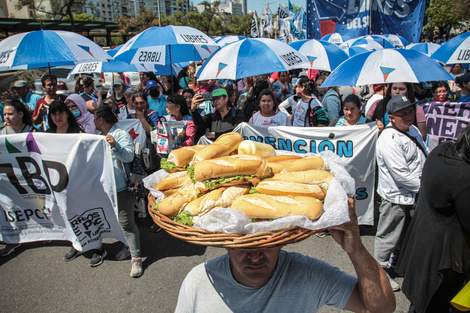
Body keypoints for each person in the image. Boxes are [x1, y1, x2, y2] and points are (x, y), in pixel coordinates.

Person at [174, 198, 396, 313]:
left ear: (282, 242)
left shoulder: (307, 275)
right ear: (226, 244)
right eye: (244, 244)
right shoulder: (198, 282)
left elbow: (382, 308)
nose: (254, 255)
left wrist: (356, 249)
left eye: (267, 242)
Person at [396, 124, 470, 313]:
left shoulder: (442, 151)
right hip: (448, 263)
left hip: (423, 246)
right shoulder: (464, 178)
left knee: (422, 304)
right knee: (436, 304)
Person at [375, 95, 429, 292]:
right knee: (388, 236)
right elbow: (402, 176)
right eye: (403, 113)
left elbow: (424, 153)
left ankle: (395, 265)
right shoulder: (389, 139)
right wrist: (426, 187)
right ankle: (379, 273)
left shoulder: (413, 130)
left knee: (404, 236)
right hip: (396, 198)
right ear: (391, 117)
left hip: (413, 196)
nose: (409, 116)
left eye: (410, 111)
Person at [0, 99, 36, 256]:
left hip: (30, 178)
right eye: (4, 114)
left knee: (35, 205)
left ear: (20, 114)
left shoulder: (33, 132)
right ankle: (13, 240)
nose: (7, 117)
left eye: (10, 113)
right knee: (10, 208)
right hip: (9, 180)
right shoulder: (1, 134)